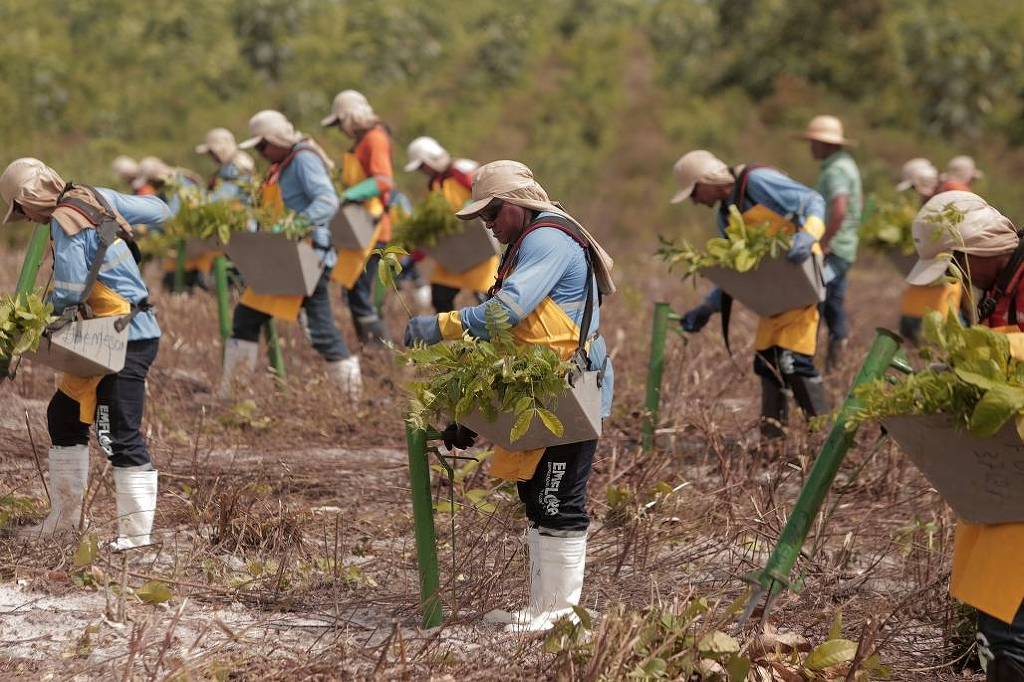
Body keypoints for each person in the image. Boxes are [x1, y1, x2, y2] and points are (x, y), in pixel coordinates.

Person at [404, 160, 615, 633]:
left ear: (517, 206)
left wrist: (440, 325)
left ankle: (562, 613)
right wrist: (471, 415)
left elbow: (505, 314)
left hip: (566, 391)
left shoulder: (547, 239)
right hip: (537, 389)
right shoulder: (524, 242)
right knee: (537, 496)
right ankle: (546, 607)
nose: (489, 225)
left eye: (493, 214)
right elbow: (513, 337)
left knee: (560, 498)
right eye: (484, 218)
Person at [1, 158, 170, 548]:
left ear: (30, 196)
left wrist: (37, 325)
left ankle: (137, 540)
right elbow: (160, 211)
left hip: (125, 336)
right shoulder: (96, 196)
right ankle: (64, 522)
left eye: (21, 209)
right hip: (103, 336)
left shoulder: (64, 218)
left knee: (117, 434)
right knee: (63, 415)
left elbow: (71, 290)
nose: (26, 218)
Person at [905, 190, 1024, 681]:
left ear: (978, 249)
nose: (958, 277)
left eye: (957, 263)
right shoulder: (998, 285)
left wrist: (986, 350)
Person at [672, 150, 829, 441]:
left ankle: (825, 440)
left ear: (709, 180)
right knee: (766, 363)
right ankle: (773, 442)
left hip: (799, 283)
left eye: (694, 191)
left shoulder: (757, 181)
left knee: (793, 362)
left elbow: (813, 201)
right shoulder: (725, 217)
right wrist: (708, 307)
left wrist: (808, 235)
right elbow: (740, 272)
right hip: (772, 297)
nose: (694, 201)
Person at [219, 110, 360, 398]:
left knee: (320, 331)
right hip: (284, 258)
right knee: (248, 318)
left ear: (276, 139)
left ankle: (350, 396)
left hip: (304, 257)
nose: (260, 152)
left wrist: (297, 223)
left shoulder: (304, 159)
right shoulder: (282, 164)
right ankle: (233, 395)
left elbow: (327, 201)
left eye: (262, 145)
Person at [321, 89, 394, 344]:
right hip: (359, 225)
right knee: (354, 293)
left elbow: (384, 181)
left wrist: (350, 194)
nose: (341, 129)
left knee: (361, 296)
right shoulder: (362, 142)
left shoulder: (375, 138)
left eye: (340, 122)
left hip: (373, 228)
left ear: (350, 116)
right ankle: (371, 352)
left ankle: (379, 355)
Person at [404, 136, 497, 312]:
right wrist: (415, 255)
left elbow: (488, 194)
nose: (423, 171)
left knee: (488, 303)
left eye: (422, 166)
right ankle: (452, 337)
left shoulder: (462, 169)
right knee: (440, 297)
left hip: (477, 247)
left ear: (430, 158)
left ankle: (492, 338)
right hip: (452, 253)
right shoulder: (434, 184)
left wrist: (471, 206)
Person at [800, 115, 862, 371]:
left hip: (835, 248)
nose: (811, 147)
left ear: (826, 144)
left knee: (811, 297)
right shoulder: (844, 164)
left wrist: (823, 242)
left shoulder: (836, 170)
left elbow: (839, 209)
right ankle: (836, 362)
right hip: (845, 246)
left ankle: (812, 362)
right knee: (832, 303)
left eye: (814, 142)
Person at [895, 158, 961, 343]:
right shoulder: (928, 205)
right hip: (926, 276)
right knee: (911, 326)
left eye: (914, 188)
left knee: (946, 331)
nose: (915, 194)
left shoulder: (944, 204)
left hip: (945, 277)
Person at [195, 127, 256, 203]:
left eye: (212, 153)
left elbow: (224, 196)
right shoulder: (237, 163)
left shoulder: (236, 167)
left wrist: (198, 200)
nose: (212, 157)